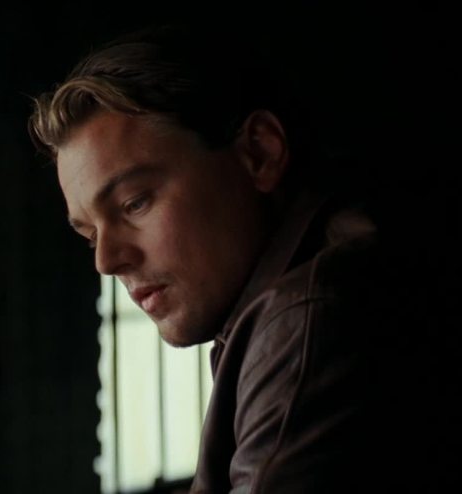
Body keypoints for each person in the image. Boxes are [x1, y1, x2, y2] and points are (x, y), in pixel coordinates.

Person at [28, 24, 459, 493]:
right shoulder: (305, 287)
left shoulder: (310, 319)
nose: (106, 261)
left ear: (259, 153)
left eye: (135, 203)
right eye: (90, 235)